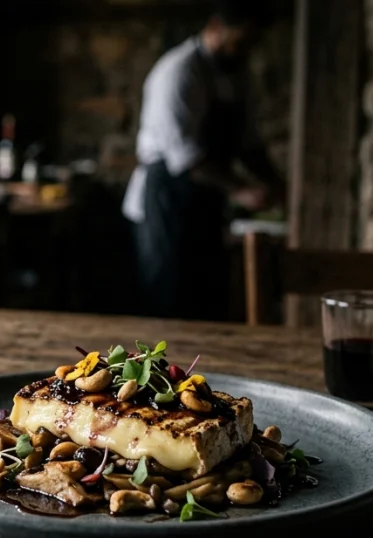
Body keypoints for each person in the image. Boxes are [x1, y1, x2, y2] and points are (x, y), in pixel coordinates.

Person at [122, 0, 285, 320]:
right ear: (215, 28)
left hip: (205, 201)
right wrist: (241, 190)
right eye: (240, 42)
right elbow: (185, 157)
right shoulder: (179, 72)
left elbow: (248, 143)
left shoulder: (236, 75)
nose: (245, 51)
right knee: (169, 299)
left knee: (207, 299)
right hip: (165, 199)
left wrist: (277, 183)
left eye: (252, 44)